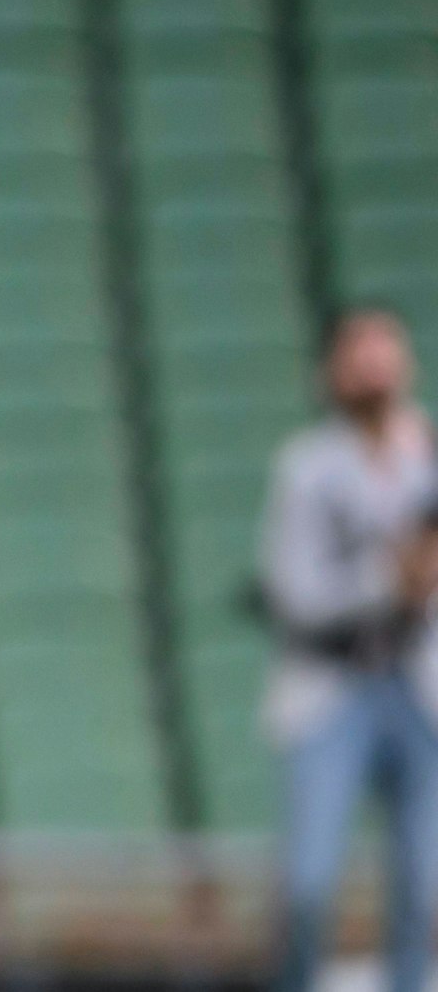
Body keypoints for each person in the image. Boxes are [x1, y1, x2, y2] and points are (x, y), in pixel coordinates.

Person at [261, 305, 438, 992]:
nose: (373, 373)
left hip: (420, 686)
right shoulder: (306, 468)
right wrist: (388, 578)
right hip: (331, 690)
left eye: (383, 356)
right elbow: (295, 592)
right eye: (359, 358)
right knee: (309, 885)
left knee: (422, 887)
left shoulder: (427, 457)